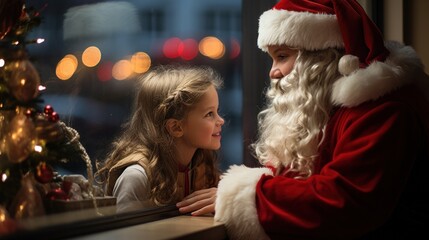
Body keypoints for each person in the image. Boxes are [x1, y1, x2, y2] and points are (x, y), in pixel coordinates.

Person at [214, 0, 429, 239]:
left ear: (322, 58)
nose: (272, 72)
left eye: (282, 56)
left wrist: (243, 195)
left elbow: (345, 201)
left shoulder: (386, 110)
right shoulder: (328, 110)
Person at [96, 64, 224, 215]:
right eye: (209, 114)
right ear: (176, 127)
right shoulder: (137, 178)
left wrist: (227, 200)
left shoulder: (202, 167)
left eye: (217, 111)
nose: (220, 120)